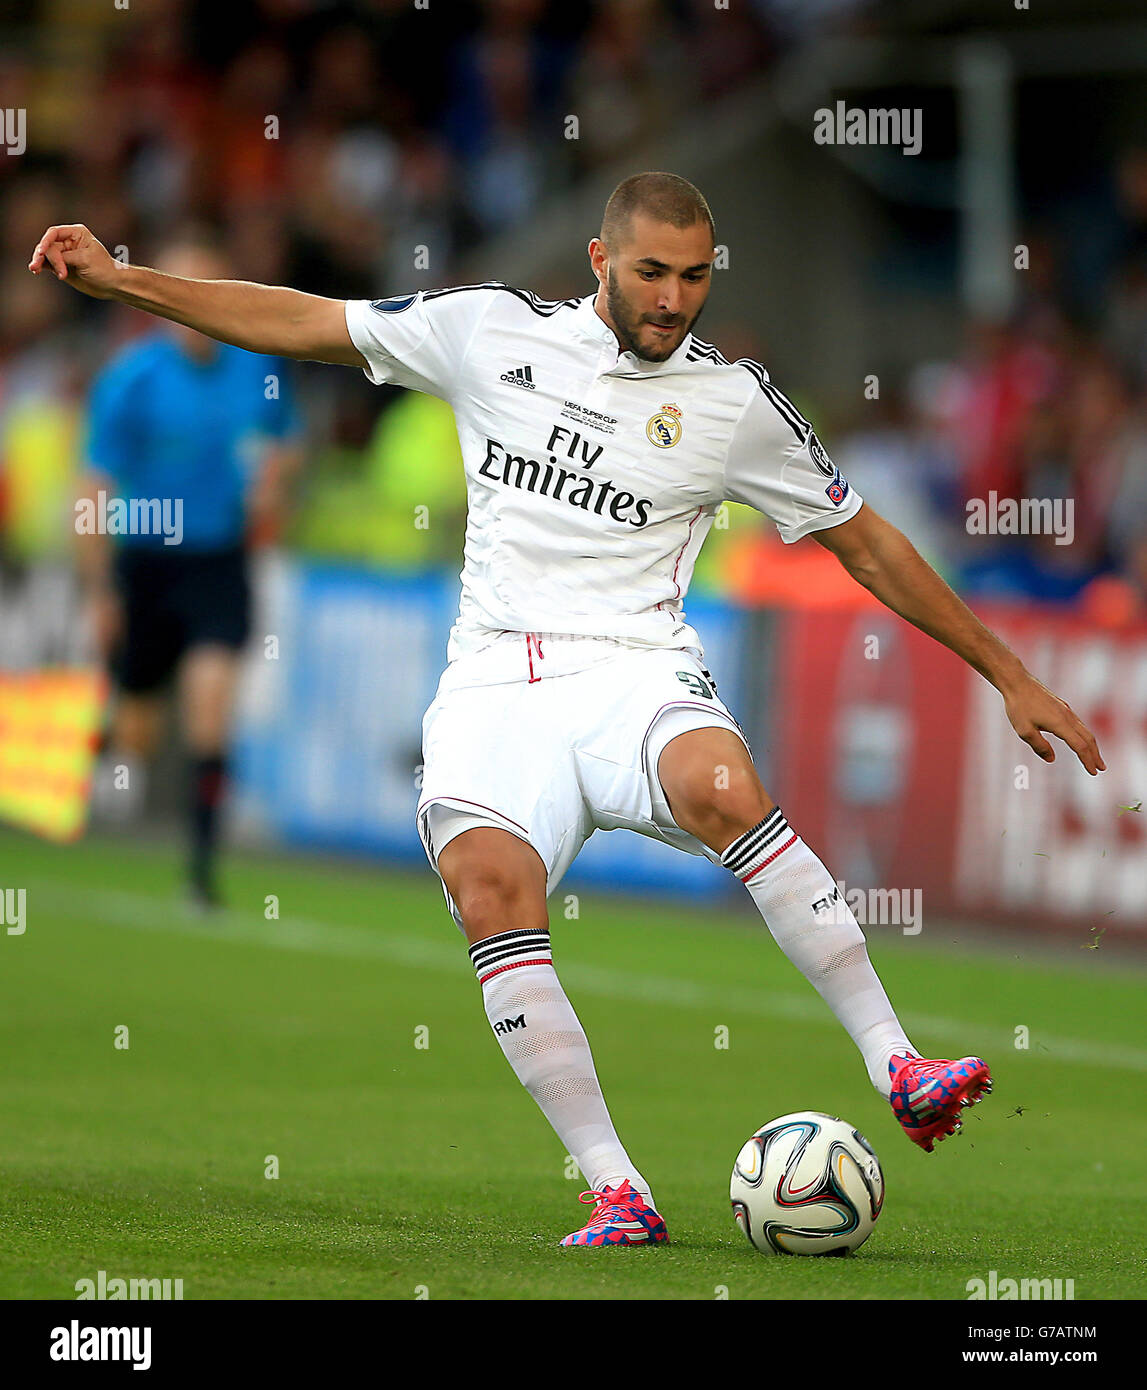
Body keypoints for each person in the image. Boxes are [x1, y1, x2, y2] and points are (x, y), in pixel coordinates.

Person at [31, 172, 1105, 1247]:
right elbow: (302, 320)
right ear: (600, 262)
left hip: (634, 668)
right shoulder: (485, 331)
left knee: (720, 786)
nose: (672, 299)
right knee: (491, 891)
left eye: (692, 277)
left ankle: (898, 1063)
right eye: (651, 273)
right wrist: (125, 282)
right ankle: (617, 1189)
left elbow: (863, 539)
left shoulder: (735, 406)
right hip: (496, 680)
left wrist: (1004, 669)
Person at [75, 232, 304, 909]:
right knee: (138, 733)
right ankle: (88, 747)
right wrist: (99, 590)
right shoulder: (132, 378)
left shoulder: (253, 368)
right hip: (145, 561)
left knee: (210, 709)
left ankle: (201, 873)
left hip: (217, 561)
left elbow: (285, 444)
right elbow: (94, 484)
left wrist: (273, 480)